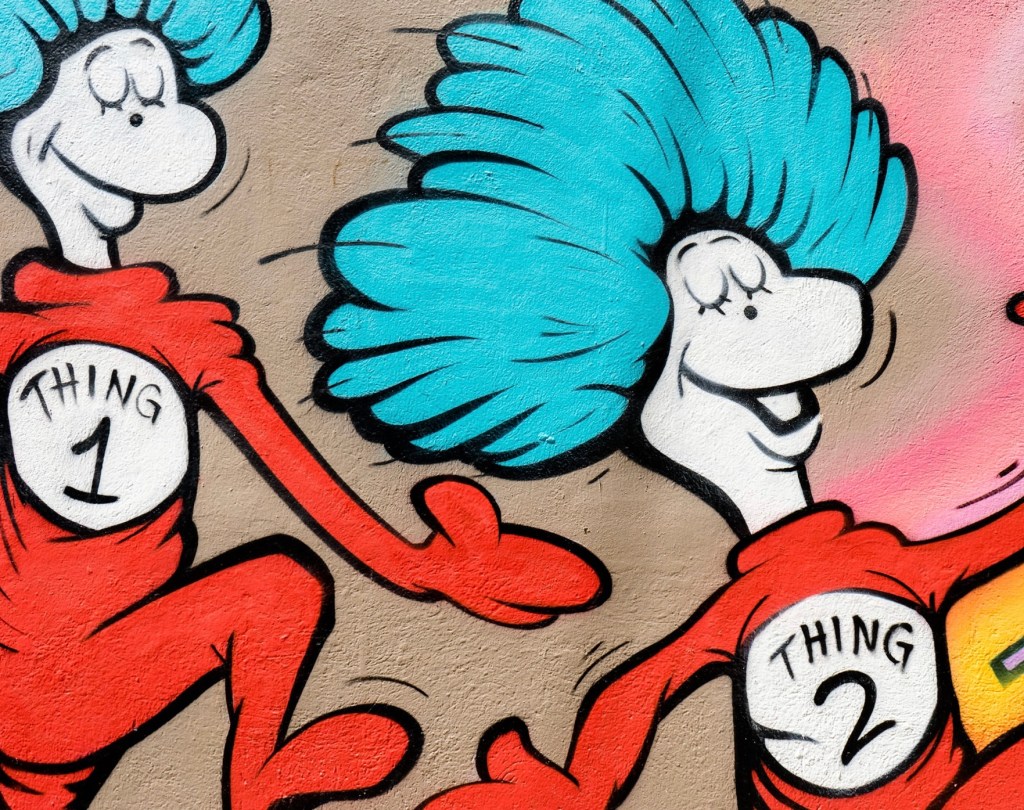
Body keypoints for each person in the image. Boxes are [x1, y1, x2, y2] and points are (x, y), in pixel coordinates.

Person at [309, 0, 1024, 804]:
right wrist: (579, 787)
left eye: (760, 285)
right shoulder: (760, 609)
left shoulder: (876, 572)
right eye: (721, 303)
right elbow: (640, 689)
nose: (754, 317)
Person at [0, 2, 608, 807]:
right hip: (37, 685)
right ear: (33, 137)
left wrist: (420, 565)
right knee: (279, 587)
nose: (151, 113)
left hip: (88, 681)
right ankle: (257, 775)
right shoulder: (21, 338)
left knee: (281, 586)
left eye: (164, 90)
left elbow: (300, 477)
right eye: (115, 90)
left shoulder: (191, 338)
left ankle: (258, 773)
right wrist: (420, 567)